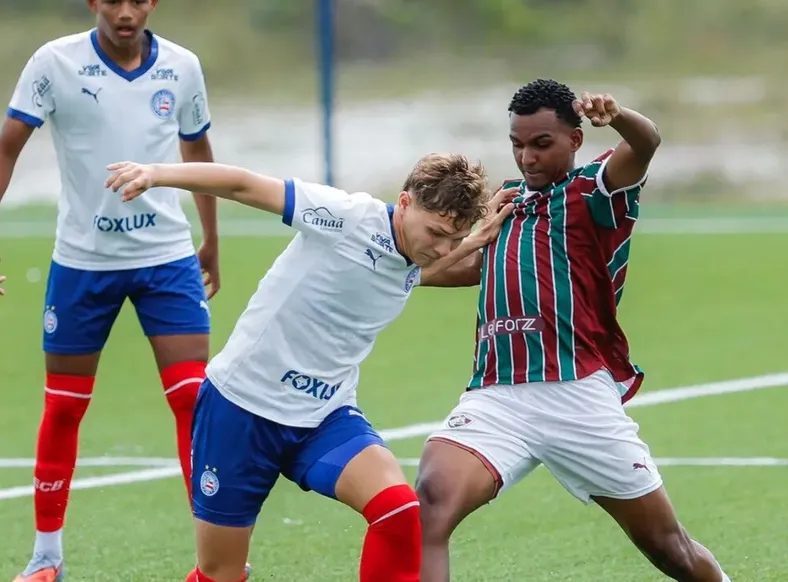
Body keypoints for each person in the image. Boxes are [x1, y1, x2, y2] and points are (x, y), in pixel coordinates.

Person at [104, 153, 515, 582]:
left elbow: (418, 269)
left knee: (397, 509)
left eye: (454, 238)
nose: (441, 248)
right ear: (405, 202)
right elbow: (243, 183)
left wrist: (487, 239)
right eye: (436, 233)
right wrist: (156, 174)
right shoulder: (346, 217)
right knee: (221, 573)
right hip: (241, 411)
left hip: (324, 416)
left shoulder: (416, 252)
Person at [414, 79, 733, 582]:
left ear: (575, 140)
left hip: (578, 397)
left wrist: (620, 114)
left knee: (672, 551)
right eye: (517, 145)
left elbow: (647, 142)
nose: (527, 158)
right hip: (498, 397)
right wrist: (414, 262)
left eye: (541, 144)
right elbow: (452, 271)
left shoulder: (595, 191)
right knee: (430, 504)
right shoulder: (507, 203)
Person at [0, 2, 220, 580]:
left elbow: (198, 151)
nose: (125, 12)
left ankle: (214, 562)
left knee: (193, 402)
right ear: (93, 1)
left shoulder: (183, 66)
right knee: (64, 408)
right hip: (82, 264)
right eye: (112, 0)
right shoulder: (54, 63)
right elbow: (7, 147)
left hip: (166, 259)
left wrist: (211, 237)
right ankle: (46, 558)